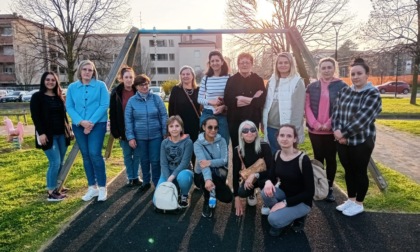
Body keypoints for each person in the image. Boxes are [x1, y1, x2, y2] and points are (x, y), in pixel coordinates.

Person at [332, 58, 382, 217]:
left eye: (359, 73)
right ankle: (351, 199)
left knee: (359, 171)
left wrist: (344, 133)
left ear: (367, 74)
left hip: (361, 140)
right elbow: (336, 113)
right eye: (353, 73)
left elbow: (363, 119)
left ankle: (359, 203)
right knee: (348, 170)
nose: (355, 76)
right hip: (341, 140)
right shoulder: (345, 91)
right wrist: (337, 131)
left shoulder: (372, 94)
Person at [66, 60, 110, 201]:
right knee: (85, 155)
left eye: (90, 70)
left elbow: (104, 105)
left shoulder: (100, 86)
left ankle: (102, 187)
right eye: (84, 69)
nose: (87, 72)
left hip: (97, 124)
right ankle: (92, 187)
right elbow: (70, 107)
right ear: (80, 71)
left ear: (93, 72)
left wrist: (90, 123)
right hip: (79, 125)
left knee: (94, 154)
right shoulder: (72, 87)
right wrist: (81, 122)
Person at [305, 57, 347, 202]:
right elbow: (307, 107)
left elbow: (341, 107)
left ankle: (329, 188)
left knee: (331, 159)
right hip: (315, 131)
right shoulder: (312, 87)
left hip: (331, 131)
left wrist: (330, 123)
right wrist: (315, 124)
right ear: (319, 70)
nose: (326, 70)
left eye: (329, 67)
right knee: (318, 159)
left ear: (334, 68)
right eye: (324, 68)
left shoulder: (341, 86)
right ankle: (319, 185)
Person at [261, 124, 314, 237]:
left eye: (289, 136)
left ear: (294, 139)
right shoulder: (277, 154)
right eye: (282, 135)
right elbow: (271, 176)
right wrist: (268, 182)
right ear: (277, 137)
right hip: (285, 194)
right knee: (264, 192)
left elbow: (310, 192)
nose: (285, 139)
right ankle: (284, 216)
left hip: (302, 201)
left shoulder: (303, 160)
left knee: (272, 220)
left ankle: (294, 217)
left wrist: (285, 203)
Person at [30, 71, 70, 201]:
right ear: (43, 81)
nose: (50, 82)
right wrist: (41, 133)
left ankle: (58, 185)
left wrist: (69, 130)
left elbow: (63, 116)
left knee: (61, 162)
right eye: (48, 79)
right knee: (55, 162)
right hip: (47, 136)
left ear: (56, 82)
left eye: (53, 80)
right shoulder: (37, 97)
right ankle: (51, 191)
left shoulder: (59, 96)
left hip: (61, 134)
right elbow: (35, 117)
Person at [125, 74, 168, 192]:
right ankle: (146, 182)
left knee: (155, 160)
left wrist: (164, 131)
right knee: (144, 160)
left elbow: (164, 115)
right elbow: (128, 120)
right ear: (137, 87)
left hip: (156, 135)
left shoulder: (156, 98)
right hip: (140, 137)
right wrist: (131, 137)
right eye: (141, 85)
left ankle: (157, 182)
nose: (144, 87)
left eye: (146, 84)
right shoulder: (132, 101)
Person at [262, 52, 305, 154]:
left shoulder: (297, 82)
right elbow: (266, 104)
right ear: (276, 65)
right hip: (271, 126)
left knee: (286, 156)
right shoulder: (271, 81)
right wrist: (263, 122)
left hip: (286, 128)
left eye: (286, 62)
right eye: (280, 63)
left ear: (291, 64)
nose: (283, 65)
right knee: (273, 155)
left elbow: (298, 109)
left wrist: (293, 130)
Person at [224, 52, 266, 149]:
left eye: (247, 62)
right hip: (235, 121)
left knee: (252, 148)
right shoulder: (231, 80)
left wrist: (241, 98)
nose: (244, 65)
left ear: (252, 64)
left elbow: (260, 101)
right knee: (237, 148)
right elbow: (228, 100)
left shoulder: (258, 80)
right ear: (238, 65)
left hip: (253, 119)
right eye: (242, 63)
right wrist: (253, 99)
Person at [109, 66, 142, 187]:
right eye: (126, 77)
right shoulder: (116, 93)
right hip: (123, 129)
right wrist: (115, 132)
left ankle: (136, 176)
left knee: (137, 154)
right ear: (121, 78)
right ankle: (130, 176)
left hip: (138, 128)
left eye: (131, 77)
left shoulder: (137, 91)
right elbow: (112, 113)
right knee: (127, 154)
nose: (129, 80)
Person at [194, 116, 233, 218]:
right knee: (206, 177)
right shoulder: (197, 144)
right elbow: (203, 165)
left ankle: (214, 191)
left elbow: (224, 160)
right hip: (202, 175)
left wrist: (210, 162)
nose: (213, 130)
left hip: (218, 172)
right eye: (210, 127)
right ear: (203, 127)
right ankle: (207, 200)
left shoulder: (222, 141)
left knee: (228, 198)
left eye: (216, 128)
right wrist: (208, 179)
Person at [232, 120, 273, 216]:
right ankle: (251, 192)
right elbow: (235, 174)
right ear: (241, 134)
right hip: (250, 180)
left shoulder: (265, 146)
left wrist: (256, 174)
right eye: (245, 130)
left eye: (252, 129)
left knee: (265, 181)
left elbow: (271, 170)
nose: (249, 132)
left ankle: (267, 200)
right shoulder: (238, 150)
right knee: (241, 192)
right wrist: (236, 198)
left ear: (256, 133)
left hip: (264, 177)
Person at [157, 116, 194, 208]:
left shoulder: (188, 142)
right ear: (168, 129)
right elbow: (163, 163)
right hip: (168, 172)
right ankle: (175, 188)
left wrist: (170, 179)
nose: (174, 129)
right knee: (156, 200)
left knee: (183, 177)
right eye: (171, 126)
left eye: (177, 126)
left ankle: (184, 195)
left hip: (183, 171)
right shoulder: (164, 143)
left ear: (181, 128)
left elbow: (184, 163)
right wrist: (167, 179)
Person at [169, 66, 201, 165]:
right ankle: (182, 176)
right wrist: (172, 126)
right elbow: (171, 109)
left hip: (195, 125)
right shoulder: (176, 89)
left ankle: (196, 176)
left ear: (193, 76)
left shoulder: (198, 90)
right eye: (183, 74)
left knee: (195, 151)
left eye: (188, 74)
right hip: (180, 126)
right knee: (181, 152)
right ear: (180, 76)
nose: (185, 76)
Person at [197, 50, 230, 144]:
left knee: (223, 143)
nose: (215, 63)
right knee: (206, 144)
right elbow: (199, 99)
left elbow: (231, 98)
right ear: (210, 63)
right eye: (212, 61)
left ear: (222, 62)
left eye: (217, 60)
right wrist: (210, 102)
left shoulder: (228, 78)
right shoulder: (206, 78)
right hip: (207, 113)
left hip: (223, 115)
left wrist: (223, 106)